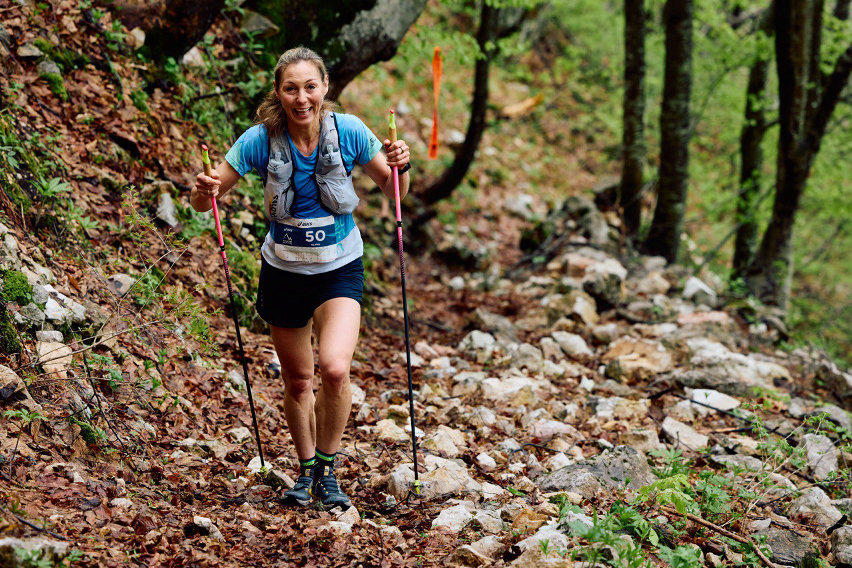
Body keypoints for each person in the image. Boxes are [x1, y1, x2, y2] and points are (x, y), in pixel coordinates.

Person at [190, 47, 410, 508]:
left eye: (310, 86)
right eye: (291, 87)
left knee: (333, 368)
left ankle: (328, 472)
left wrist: (400, 166)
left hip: (339, 267)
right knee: (297, 381)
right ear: (279, 92)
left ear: (325, 86)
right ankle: (305, 470)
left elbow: (394, 192)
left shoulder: (348, 130)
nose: (301, 97)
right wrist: (203, 189)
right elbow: (206, 199)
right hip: (284, 270)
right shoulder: (259, 140)